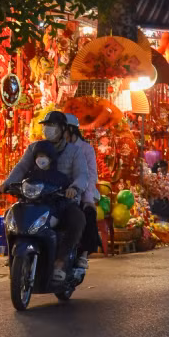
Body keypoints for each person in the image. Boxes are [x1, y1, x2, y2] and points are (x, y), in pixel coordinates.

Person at [0, 111, 88, 282]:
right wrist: (7, 183)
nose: (48, 129)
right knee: (12, 214)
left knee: (77, 219)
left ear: (63, 129)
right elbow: (21, 168)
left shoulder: (75, 152)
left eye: (52, 126)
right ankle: (12, 253)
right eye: (46, 126)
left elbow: (82, 175)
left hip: (62, 200)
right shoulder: (34, 148)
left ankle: (60, 262)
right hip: (35, 199)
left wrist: (75, 188)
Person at [64, 113, 99, 269]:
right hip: (60, 191)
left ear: (70, 130)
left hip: (83, 190)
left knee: (88, 213)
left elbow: (91, 175)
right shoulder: (57, 147)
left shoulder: (86, 149)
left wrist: (88, 198)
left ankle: (84, 253)